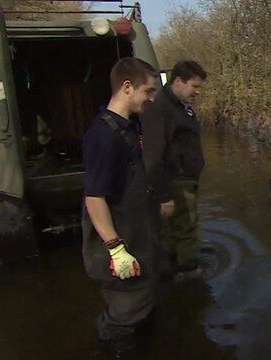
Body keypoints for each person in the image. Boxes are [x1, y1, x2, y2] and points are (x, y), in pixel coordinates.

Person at [81, 57, 159, 354]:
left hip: (138, 234)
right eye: (149, 91)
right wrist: (116, 249)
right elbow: (94, 197)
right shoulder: (103, 137)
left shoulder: (130, 125)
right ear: (128, 87)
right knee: (121, 321)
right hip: (120, 245)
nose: (152, 99)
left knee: (144, 307)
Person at [141, 60, 207, 281]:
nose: (197, 92)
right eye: (194, 87)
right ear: (178, 81)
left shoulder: (180, 107)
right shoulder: (160, 110)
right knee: (186, 229)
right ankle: (189, 272)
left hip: (184, 179)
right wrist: (164, 196)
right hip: (175, 182)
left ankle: (171, 271)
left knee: (174, 230)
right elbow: (152, 157)